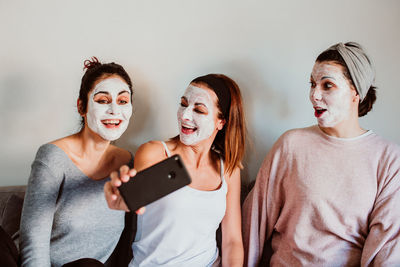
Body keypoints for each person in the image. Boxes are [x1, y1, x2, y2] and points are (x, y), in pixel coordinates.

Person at [242, 42, 400, 266]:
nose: (314, 95)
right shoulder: (291, 145)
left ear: (356, 91)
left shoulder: (388, 159)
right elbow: (253, 224)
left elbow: (387, 250)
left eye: (328, 85)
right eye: (312, 84)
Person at [104, 74, 246, 266]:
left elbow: (232, 241)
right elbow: (134, 199)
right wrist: (122, 199)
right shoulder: (155, 153)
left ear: (221, 122)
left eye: (199, 110)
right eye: (183, 104)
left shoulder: (228, 169)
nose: (185, 115)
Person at [18, 57, 135, 267]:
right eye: (102, 100)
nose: (114, 111)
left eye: (123, 101)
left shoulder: (128, 163)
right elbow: (33, 243)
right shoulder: (52, 157)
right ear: (82, 107)